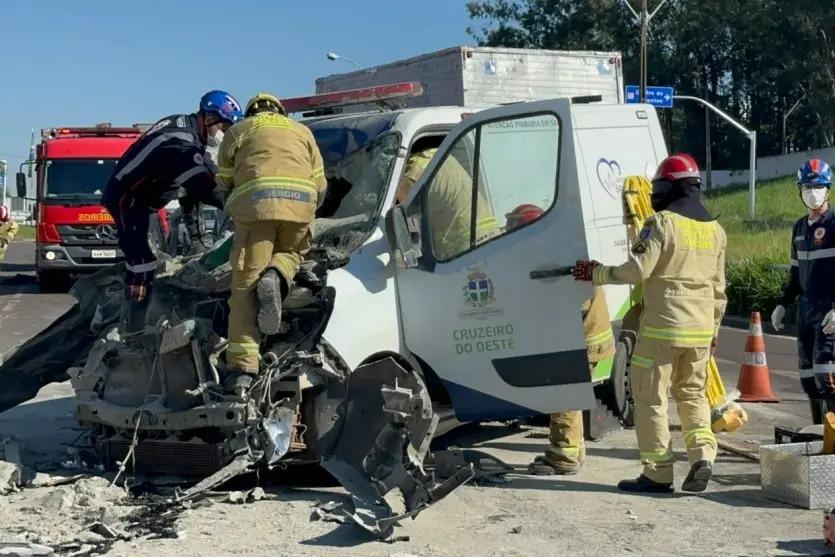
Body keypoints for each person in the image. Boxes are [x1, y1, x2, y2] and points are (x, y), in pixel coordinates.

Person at [573, 153, 726, 493]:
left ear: (669, 188)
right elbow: (719, 290)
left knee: (650, 398)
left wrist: (597, 272)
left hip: (662, 329)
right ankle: (703, 455)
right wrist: (713, 330)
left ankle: (657, 474)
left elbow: (636, 270)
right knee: (692, 395)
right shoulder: (716, 231)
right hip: (700, 332)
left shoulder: (661, 224)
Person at [215, 93, 327, 395]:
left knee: (244, 286)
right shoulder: (302, 132)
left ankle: (242, 369)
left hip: (255, 208)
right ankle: (276, 275)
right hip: (301, 206)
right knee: (293, 252)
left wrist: (232, 209)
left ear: (250, 112)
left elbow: (223, 182)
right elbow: (321, 184)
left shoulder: (238, 132)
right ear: (281, 112)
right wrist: (309, 211)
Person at [102, 90, 243, 314]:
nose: (223, 134)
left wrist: (198, 236)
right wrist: (241, 206)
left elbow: (202, 177)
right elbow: (205, 187)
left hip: (144, 199)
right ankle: (135, 318)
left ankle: (141, 299)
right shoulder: (180, 146)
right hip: (127, 198)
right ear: (208, 119)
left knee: (149, 255)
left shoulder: (186, 131)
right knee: (142, 260)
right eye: (223, 127)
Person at [502, 204, 616, 476]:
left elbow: (558, 306)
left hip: (580, 339)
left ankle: (563, 456)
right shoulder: (559, 250)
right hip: (586, 336)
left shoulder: (552, 261)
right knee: (568, 395)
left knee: (562, 395)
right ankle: (574, 452)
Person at [771, 159, 835, 424]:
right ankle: (820, 434)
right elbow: (796, 276)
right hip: (806, 313)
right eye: (807, 186)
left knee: (827, 377)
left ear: (828, 189)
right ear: (799, 190)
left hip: (829, 314)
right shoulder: (799, 228)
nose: (812, 192)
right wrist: (783, 304)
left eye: (818, 186)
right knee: (809, 379)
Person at [396, 143, 499, 258]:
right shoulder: (437, 155)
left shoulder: (411, 176)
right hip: (490, 236)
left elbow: (402, 220)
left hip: (465, 247)